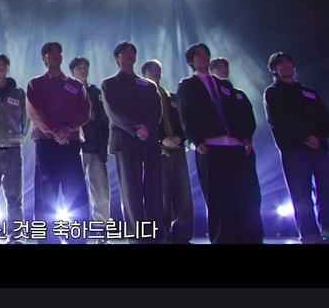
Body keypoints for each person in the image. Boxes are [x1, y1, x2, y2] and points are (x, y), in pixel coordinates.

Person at [176, 43, 263, 244]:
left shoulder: (224, 85)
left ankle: (250, 237)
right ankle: (222, 239)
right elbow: (186, 114)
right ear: (191, 61)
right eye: (198, 54)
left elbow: (238, 112)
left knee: (245, 194)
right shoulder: (188, 85)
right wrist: (196, 139)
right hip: (211, 146)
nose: (204, 56)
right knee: (218, 198)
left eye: (206, 53)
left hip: (235, 145)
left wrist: (245, 136)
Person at [27, 42, 91, 244]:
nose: (55, 55)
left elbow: (84, 111)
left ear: (62, 57)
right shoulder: (35, 84)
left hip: (71, 144)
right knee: (46, 193)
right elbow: (34, 112)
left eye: (58, 52)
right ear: (43, 58)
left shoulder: (75, 85)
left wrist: (68, 128)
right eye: (50, 52)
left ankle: (78, 239)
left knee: (76, 191)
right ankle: (47, 239)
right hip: (46, 144)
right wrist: (54, 132)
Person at [100, 42, 163, 244]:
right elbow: (113, 112)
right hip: (125, 141)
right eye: (124, 52)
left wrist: (148, 129)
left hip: (149, 141)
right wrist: (135, 129)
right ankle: (137, 237)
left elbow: (157, 109)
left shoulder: (148, 85)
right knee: (131, 191)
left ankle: (155, 235)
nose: (129, 54)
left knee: (154, 190)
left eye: (132, 52)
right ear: (116, 58)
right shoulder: (109, 83)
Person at [264, 52, 329, 244]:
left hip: (319, 148)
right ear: (274, 69)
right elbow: (279, 121)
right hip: (293, 149)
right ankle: (309, 235)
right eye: (281, 63)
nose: (286, 65)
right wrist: (305, 137)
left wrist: (319, 138)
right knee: (301, 194)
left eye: (288, 62)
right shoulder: (273, 93)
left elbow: (324, 117)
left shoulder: (308, 92)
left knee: (326, 190)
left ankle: (327, 231)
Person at [141, 59, 194, 244]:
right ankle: (162, 236)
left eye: (157, 69)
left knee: (183, 194)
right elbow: (144, 124)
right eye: (151, 69)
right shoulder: (143, 98)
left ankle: (183, 236)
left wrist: (180, 137)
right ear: (144, 74)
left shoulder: (173, 97)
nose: (155, 72)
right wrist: (161, 139)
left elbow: (185, 120)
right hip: (157, 151)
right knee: (161, 195)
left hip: (178, 149)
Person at [0, 53, 30, 243]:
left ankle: (16, 236)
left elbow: (26, 117)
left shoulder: (18, 93)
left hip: (12, 147)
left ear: (8, 68)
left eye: (4, 64)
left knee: (14, 195)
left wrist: (19, 136)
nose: (1, 67)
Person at [69, 56, 110, 244]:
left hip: (95, 147)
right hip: (73, 148)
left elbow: (105, 119)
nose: (83, 69)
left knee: (101, 192)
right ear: (72, 71)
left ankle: (101, 231)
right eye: (79, 67)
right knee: (74, 193)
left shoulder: (96, 92)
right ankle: (76, 232)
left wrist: (105, 142)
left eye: (85, 67)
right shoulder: (68, 90)